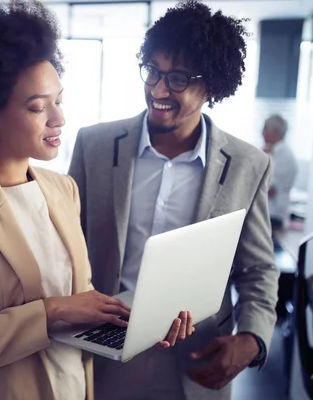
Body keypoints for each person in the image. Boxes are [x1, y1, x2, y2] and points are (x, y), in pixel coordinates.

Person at [0, 1, 192, 399]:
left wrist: (142, 323)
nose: (58, 118)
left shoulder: (62, 190)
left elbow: (83, 302)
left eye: (59, 100)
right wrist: (51, 311)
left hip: (75, 385)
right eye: (38, 107)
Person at [68, 1, 280, 399]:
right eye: (153, 71)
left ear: (212, 86)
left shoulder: (248, 165)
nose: (158, 90)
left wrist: (252, 338)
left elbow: (258, 269)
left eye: (178, 79)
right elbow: (62, 248)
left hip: (198, 361)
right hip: (104, 354)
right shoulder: (93, 146)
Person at [262, 114, 298, 231]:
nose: (262, 133)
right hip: (269, 213)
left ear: (276, 132)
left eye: (265, 129)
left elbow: (269, 189)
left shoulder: (283, 155)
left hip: (273, 214)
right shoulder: (272, 151)